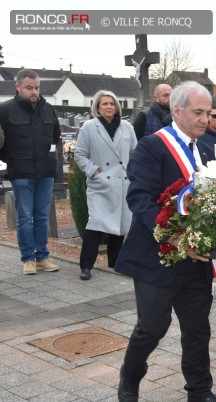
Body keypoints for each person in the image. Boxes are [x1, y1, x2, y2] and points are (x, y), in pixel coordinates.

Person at [114, 81, 216, 402]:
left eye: (208, 112)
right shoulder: (152, 148)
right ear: (177, 110)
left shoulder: (207, 149)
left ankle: (199, 393)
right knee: (152, 327)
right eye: (198, 112)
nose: (205, 119)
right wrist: (176, 237)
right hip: (159, 257)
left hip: (195, 262)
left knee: (198, 329)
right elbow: (140, 199)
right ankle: (130, 377)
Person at [0, 69, 61, 275]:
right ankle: (28, 258)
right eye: (29, 88)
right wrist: (12, 160)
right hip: (21, 172)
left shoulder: (48, 109)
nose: (34, 92)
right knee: (25, 217)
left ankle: (42, 256)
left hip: (46, 172)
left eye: (37, 88)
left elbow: (55, 137)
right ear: (18, 87)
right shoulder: (5, 110)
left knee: (42, 216)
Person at [74, 90, 137, 281]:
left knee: (118, 225)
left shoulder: (127, 127)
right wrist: (94, 171)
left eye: (112, 103)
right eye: (104, 104)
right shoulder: (89, 127)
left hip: (122, 183)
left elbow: (135, 151)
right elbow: (79, 154)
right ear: (97, 108)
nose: (109, 107)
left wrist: (132, 173)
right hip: (100, 184)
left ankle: (115, 262)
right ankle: (86, 266)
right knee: (95, 225)